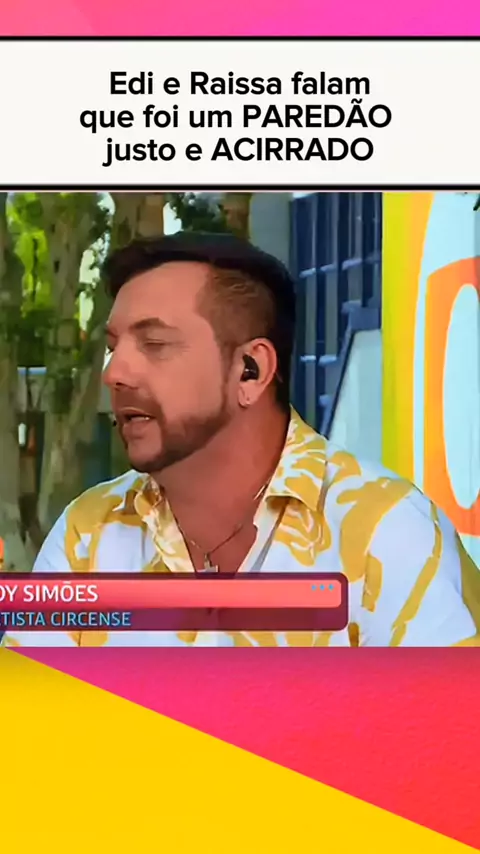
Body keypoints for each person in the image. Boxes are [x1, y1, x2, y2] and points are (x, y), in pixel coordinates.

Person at [3, 232, 480, 648]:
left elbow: (445, 723)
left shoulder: (385, 530)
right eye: (113, 348)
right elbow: (31, 718)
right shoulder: (88, 533)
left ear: (250, 371)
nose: (115, 374)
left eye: (154, 344)